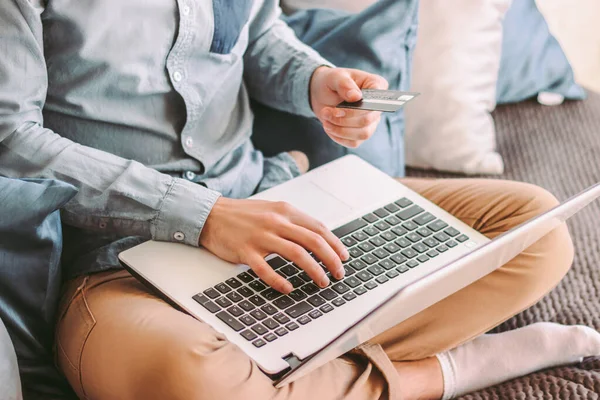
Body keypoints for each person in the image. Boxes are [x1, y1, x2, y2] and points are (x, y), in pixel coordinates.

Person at [2, 1, 599, 399]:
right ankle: (445, 371)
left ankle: (293, 361)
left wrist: (314, 81)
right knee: (188, 376)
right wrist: (202, 216)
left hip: (273, 201)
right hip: (118, 261)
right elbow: (11, 140)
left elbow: (259, 35)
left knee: (537, 230)